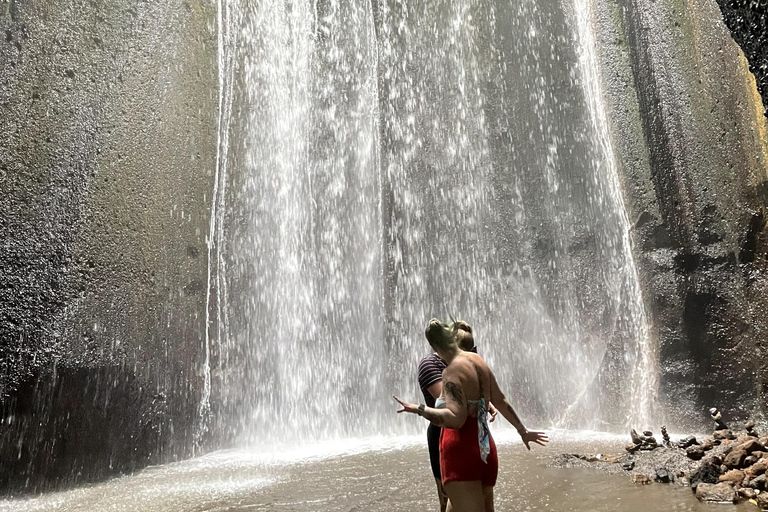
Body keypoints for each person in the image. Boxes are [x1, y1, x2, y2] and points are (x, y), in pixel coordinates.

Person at [396, 318, 548, 512]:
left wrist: (419, 409)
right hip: (485, 447)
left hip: (460, 452)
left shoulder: (451, 372)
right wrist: (522, 431)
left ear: (436, 345)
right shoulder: (478, 361)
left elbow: (456, 419)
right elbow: (500, 400)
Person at [417, 321, 496, 512]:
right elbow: (448, 402)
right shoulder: (430, 364)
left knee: (485, 500)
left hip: (476, 435)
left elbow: (474, 392)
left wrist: (485, 402)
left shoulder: (461, 364)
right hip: (445, 434)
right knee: (448, 498)